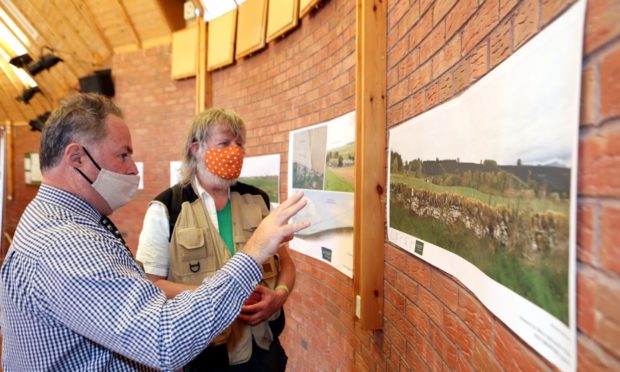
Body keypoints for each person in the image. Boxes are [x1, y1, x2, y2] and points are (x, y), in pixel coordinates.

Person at [0, 93, 309, 371]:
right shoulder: (65, 242)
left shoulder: (68, 223)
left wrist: (278, 295)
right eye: (123, 155)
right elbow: (163, 339)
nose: (134, 169)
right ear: (77, 158)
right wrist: (252, 253)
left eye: (239, 143)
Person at [136, 108, 294, 371]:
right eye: (224, 143)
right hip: (203, 356)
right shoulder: (166, 208)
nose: (236, 151)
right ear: (196, 149)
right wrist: (221, 296)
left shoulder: (257, 200)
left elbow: (286, 262)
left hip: (264, 351)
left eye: (240, 144)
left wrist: (279, 295)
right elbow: (151, 285)